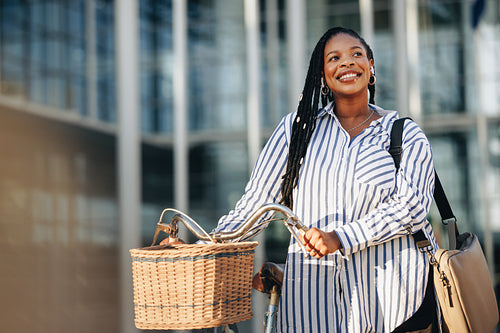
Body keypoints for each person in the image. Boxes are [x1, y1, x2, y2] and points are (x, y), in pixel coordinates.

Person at [164, 27, 439, 333]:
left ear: (371, 68)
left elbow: (411, 208)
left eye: (356, 55)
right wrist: (200, 247)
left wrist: (340, 238)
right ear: (322, 75)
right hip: (311, 303)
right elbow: (256, 206)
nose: (347, 63)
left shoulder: (404, 134)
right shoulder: (296, 131)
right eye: (334, 58)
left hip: (392, 303)